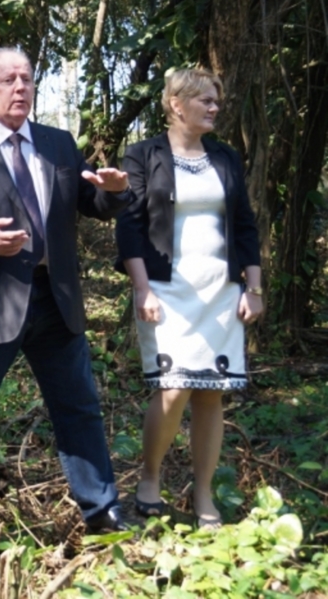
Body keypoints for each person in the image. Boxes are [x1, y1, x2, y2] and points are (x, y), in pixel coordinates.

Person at [0, 47, 134, 546]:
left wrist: (115, 192)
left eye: (28, 79)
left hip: (55, 300)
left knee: (78, 408)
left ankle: (101, 509)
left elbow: (91, 203)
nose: (20, 87)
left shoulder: (58, 144)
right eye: (8, 79)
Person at [115, 67, 263, 529]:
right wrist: (141, 288)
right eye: (205, 100)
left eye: (216, 99)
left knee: (210, 394)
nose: (215, 106)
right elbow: (130, 225)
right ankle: (150, 477)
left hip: (220, 290)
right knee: (173, 386)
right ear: (177, 104)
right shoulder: (143, 155)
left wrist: (254, 288)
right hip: (166, 288)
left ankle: (203, 495)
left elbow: (245, 224)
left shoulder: (225, 157)